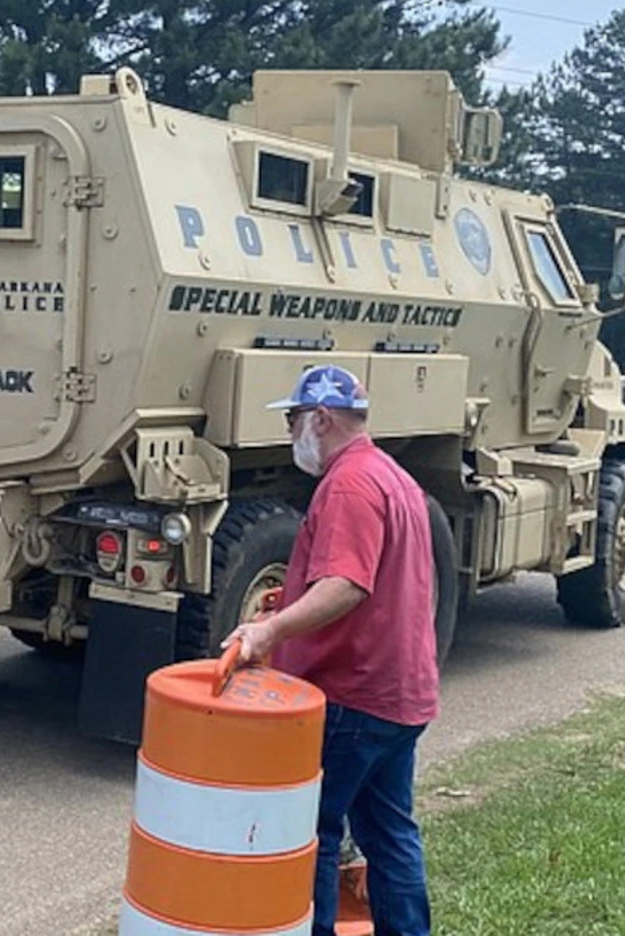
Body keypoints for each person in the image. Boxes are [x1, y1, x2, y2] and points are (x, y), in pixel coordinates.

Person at [226, 364, 438, 936]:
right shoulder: (392, 476)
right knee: (389, 832)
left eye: (294, 419)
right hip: (400, 693)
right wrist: (292, 600)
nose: (290, 431)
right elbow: (377, 581)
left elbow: (347, 585)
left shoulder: (345, 485)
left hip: (351, 695)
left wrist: (268, 632)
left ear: (321, 418)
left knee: (314, 833)